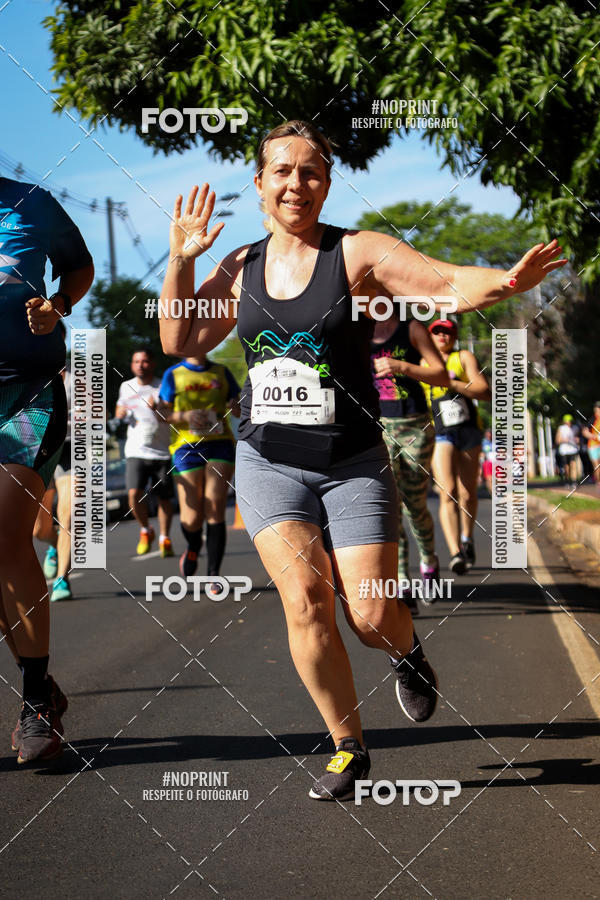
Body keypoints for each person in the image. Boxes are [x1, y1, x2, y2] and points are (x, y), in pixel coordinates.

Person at [158, 120, 566, 801]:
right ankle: (348, 745)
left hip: (351, 457)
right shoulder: (239, 267)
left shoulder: (357, 253)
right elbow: (178, 336)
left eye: (311, 171)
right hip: (266, 462)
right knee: (305, 603)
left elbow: (440, 284)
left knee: (370, 615)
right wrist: (181, 257)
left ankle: (407, 652)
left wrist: (504, 283)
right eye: (282, 172)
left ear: (327, 182)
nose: (297, 183)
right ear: (259, 185)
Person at [0, 175, 94, 763]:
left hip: (26, 392)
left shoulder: (31, 203)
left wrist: (57, 307)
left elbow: (78, 267)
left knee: (5, 531)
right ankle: (45, 690)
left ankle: (35, 699)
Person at [370, 311, 449, 612]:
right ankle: (402, 583)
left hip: (414, 424)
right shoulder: (357, 330)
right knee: (390, 504)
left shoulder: (411, 328)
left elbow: (441, 374)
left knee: (415, 504)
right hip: (378, 426)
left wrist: (402, 366)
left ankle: (428, 562)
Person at [157, 355, 240, 583]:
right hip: (186, 447)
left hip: (220, 443)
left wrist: (236, 406)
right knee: (191, 519)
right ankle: (194, 545)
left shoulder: (221, 372)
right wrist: (184, 415)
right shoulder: (173, 374)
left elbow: (240, 409)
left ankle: (214, 574)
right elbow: (161, 413)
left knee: (215, 507)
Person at [422, 319, 491, 574]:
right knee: (447, 490)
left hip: (469, 431)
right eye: (437, 331)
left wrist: (451, 383)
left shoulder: (463, 357)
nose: (442, 335)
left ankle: (467, 538)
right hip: (440, 433)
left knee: (467, 493)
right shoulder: (422, 363)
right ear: (430, 336)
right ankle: (455, 553)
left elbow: (485, 390)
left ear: (454, 336)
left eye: (447, 332)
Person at [115, 349, 175, 557]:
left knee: (164, 499)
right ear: (132, 365)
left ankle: (164, 537)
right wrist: (120, 413)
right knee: (133, 494)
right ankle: (145, 530)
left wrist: (157, 408)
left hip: (161, 452)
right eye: (136, 361)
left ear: (152, 364)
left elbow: (172, 416)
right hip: (135, 450)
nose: (141, 365)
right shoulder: (126, 386)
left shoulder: (162, 386)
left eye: (145, 361)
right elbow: (119, 411)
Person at [34, 349, 75, 602]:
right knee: (39, 529)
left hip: (72, 449)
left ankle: (61, 579)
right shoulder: (27, 376)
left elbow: (100, 413)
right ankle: (53, 546)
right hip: (41, 450)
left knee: (69, 515)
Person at [555, 414, 580, 487]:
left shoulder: (575, 428)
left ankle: (574, 480)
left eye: (570, 421)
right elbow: (557, 440)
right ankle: (567, 479)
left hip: (573, 449)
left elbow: (577, 437)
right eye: (567, 421)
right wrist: (563, 440)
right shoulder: (561, 428)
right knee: (566, 466)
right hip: (564, 450)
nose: (569, 423)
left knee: (573, 465)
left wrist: (577, 440)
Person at [582, 402, 600, 485]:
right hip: (593, 446)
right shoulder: (593, 419)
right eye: (595, 411)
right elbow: (585, 432)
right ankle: (598, 481)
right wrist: (594, 436)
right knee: (596, 465)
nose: (596, 412)